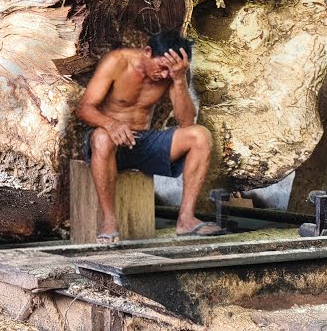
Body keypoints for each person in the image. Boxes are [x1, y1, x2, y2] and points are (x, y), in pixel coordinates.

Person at [75, 31, 223, 242]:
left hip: (143, 142)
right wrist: (111, 124)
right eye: (161, 67)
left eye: (169, 71)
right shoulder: (117, 62)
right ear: (147, 52)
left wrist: (179, 79)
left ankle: (186, 219)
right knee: (101, 138)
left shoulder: (173, 74)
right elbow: (83, 108)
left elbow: (187, 122)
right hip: (109, 142)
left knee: (200, 136)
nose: (164, 75)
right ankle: (109, 221)